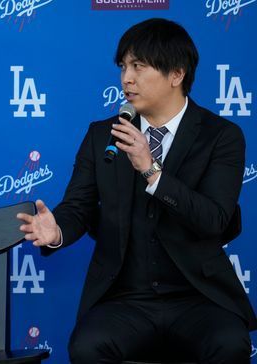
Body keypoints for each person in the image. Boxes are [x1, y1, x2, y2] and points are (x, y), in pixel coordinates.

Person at [17, 18, 255, 363]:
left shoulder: (221, 136)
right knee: (86, 347)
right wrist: (57, 232)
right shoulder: (103, 136)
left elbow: (215, 219)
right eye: (124, 67)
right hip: (125, 298)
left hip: (199, 297)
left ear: (177, 74)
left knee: (230, 344)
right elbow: (78, 207)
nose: (126, 79)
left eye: (139, 67)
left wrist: (151, 169)